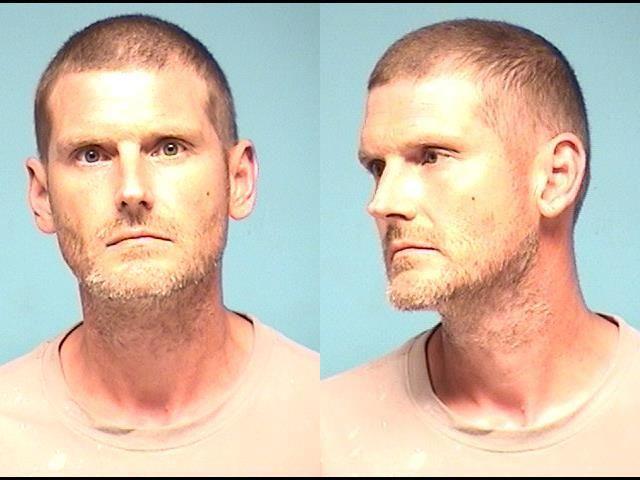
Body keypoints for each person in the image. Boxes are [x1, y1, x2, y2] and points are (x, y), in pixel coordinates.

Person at [0, 14, 318, 475]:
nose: (132, 190)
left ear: (238, 180)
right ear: (42, 195)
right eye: (91, 155)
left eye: (169, 148)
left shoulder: (323, 416)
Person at [322, 18, 640, 476]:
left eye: (432, 156)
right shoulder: (326, 433)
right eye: (377, 167)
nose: (382, 203)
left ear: (555, 177)